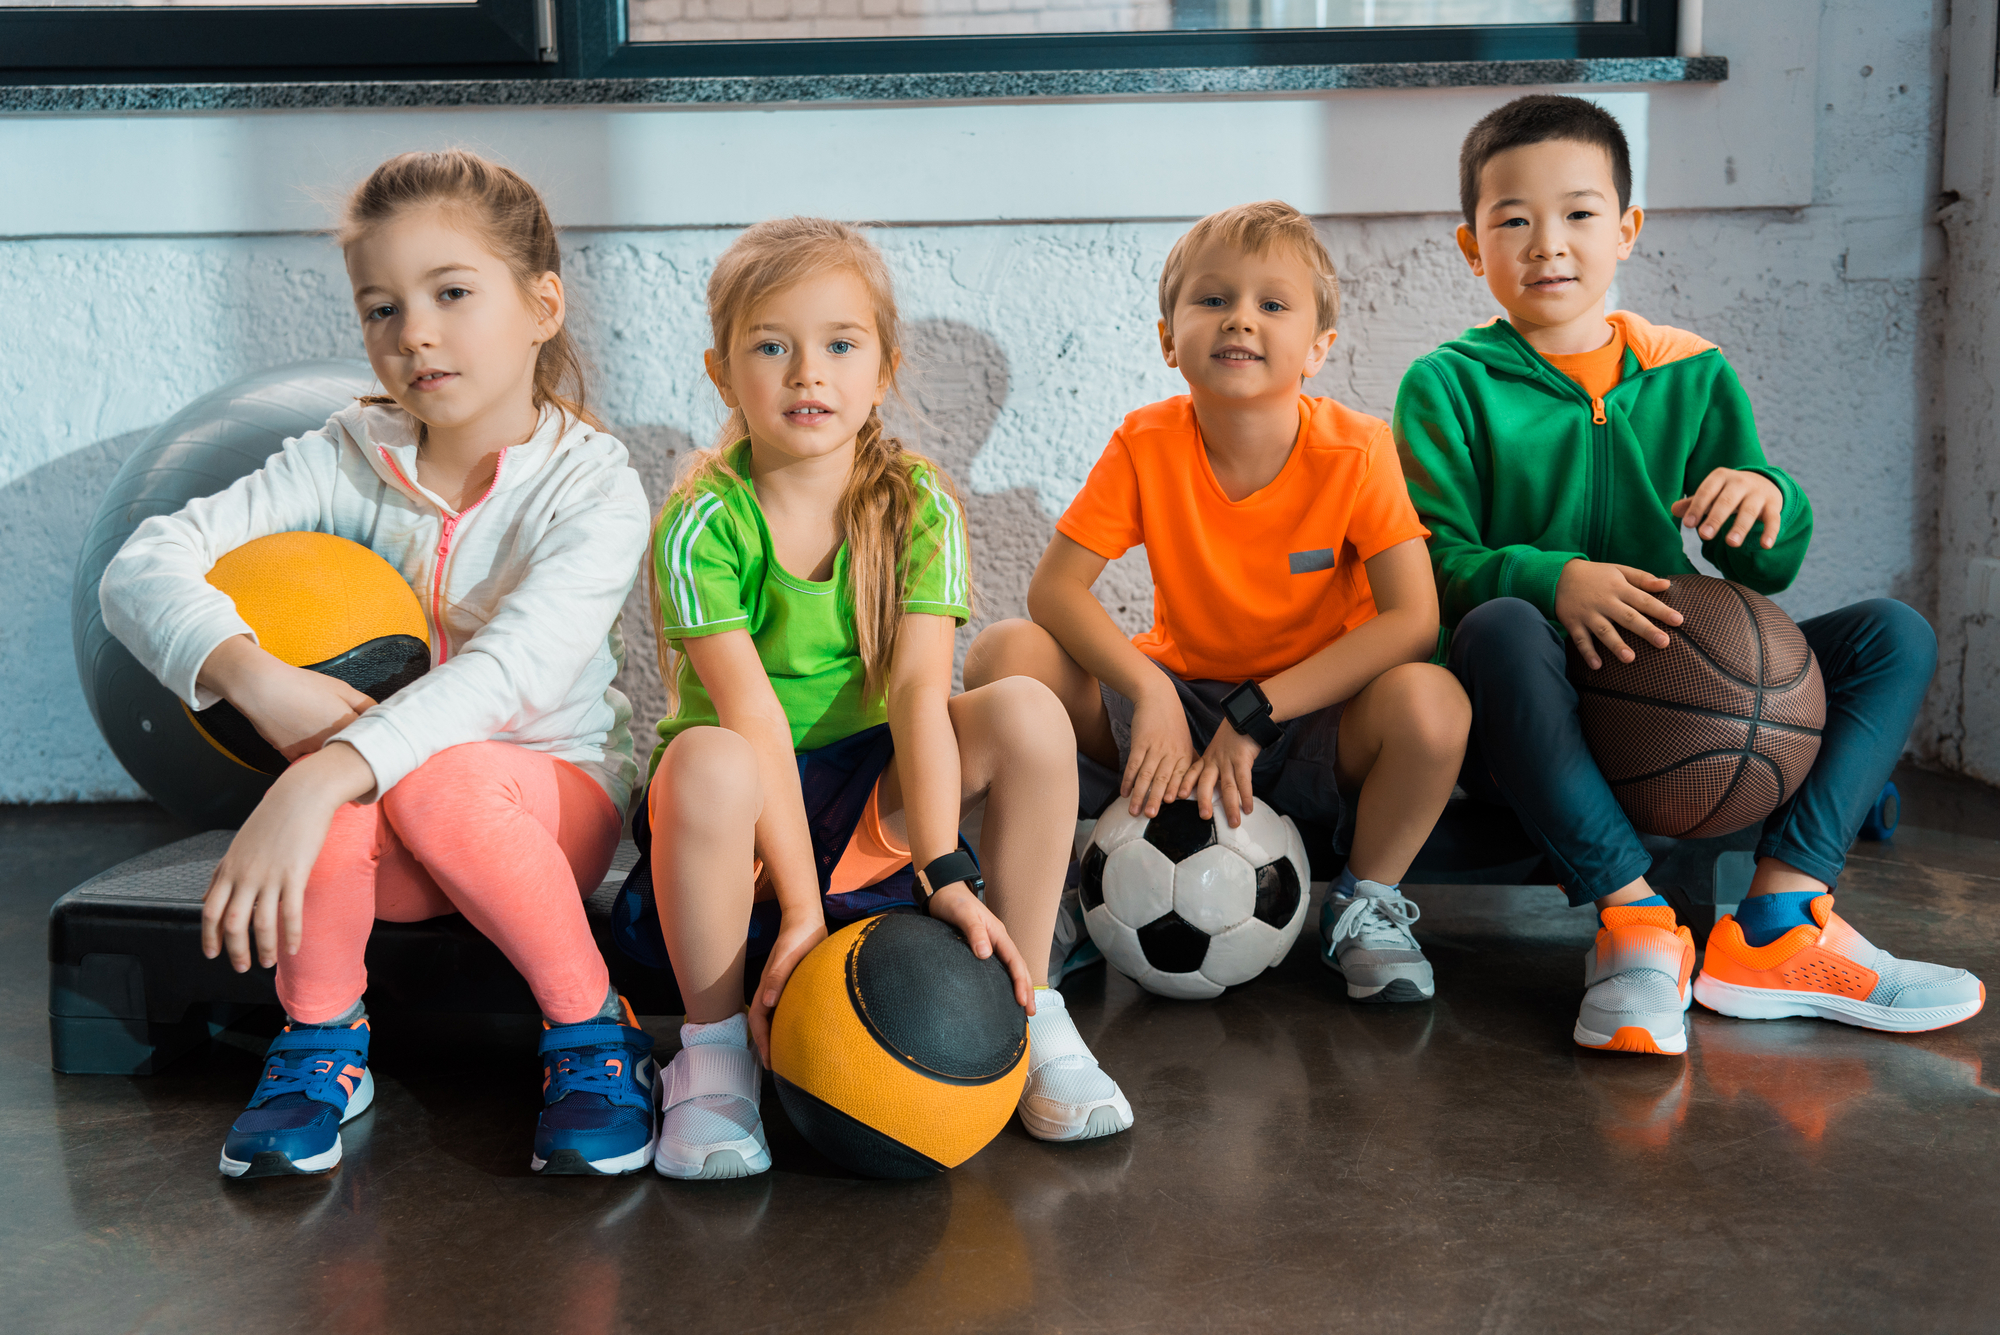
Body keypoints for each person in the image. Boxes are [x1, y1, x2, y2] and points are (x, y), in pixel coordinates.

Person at [100, 150, 657, 1177]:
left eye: (451, 293)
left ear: (542, 305)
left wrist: (317, 772)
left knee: (420, 782)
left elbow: (509, 670)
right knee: (354, 790)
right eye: (380, 309)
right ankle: (321, 1042)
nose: (415, 335)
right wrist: (254, 677)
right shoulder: (341, 456)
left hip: (548, 802)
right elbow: (141, 566)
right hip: (381, 826)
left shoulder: (594, 489)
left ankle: (593, 1034)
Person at [1394, 94, 1983, 1054]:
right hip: (1534, 720)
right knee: (1498, 625)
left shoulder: (1692, 373)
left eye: (1580, 214)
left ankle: (1779, 922)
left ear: (1625, 231)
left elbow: (1766, 566)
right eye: (1514, 220)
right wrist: (1557, 581)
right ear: (1473, 248)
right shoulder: (1448, 383)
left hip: (1678, 693)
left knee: (1894, 634)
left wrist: (1763, 495)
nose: (1549, 243)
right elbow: (1433, 567)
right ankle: (1634, 925)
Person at [628, 216, 1132, 1181]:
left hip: (872, 792)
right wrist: (807, 912)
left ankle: (1032, 1007)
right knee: (709, 758)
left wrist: (944, 867)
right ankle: (714, 1048)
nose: (806, 372)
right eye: (771, 346)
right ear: (721, 371)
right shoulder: (701, 519)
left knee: (1024, 706)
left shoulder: (916, 501)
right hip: (739, 806)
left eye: (839, 345)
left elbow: (916, 691)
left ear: (884, 368)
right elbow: (754, 716)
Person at [965, 200, 1471, 1005]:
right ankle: (1055, 894)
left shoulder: (1357, 448)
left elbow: (1413, 620)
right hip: (1177, 716)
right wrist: (1150, 690)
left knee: (1434, 704)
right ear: (1170, 338)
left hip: (1307, 720)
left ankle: (1365, 905)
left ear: (1317, 349)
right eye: (1213, 299)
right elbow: (1053, 588)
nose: (1241, 320)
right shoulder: (1146, 442)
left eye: (1272, 304)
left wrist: (1258, 712)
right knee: (1005, 653)